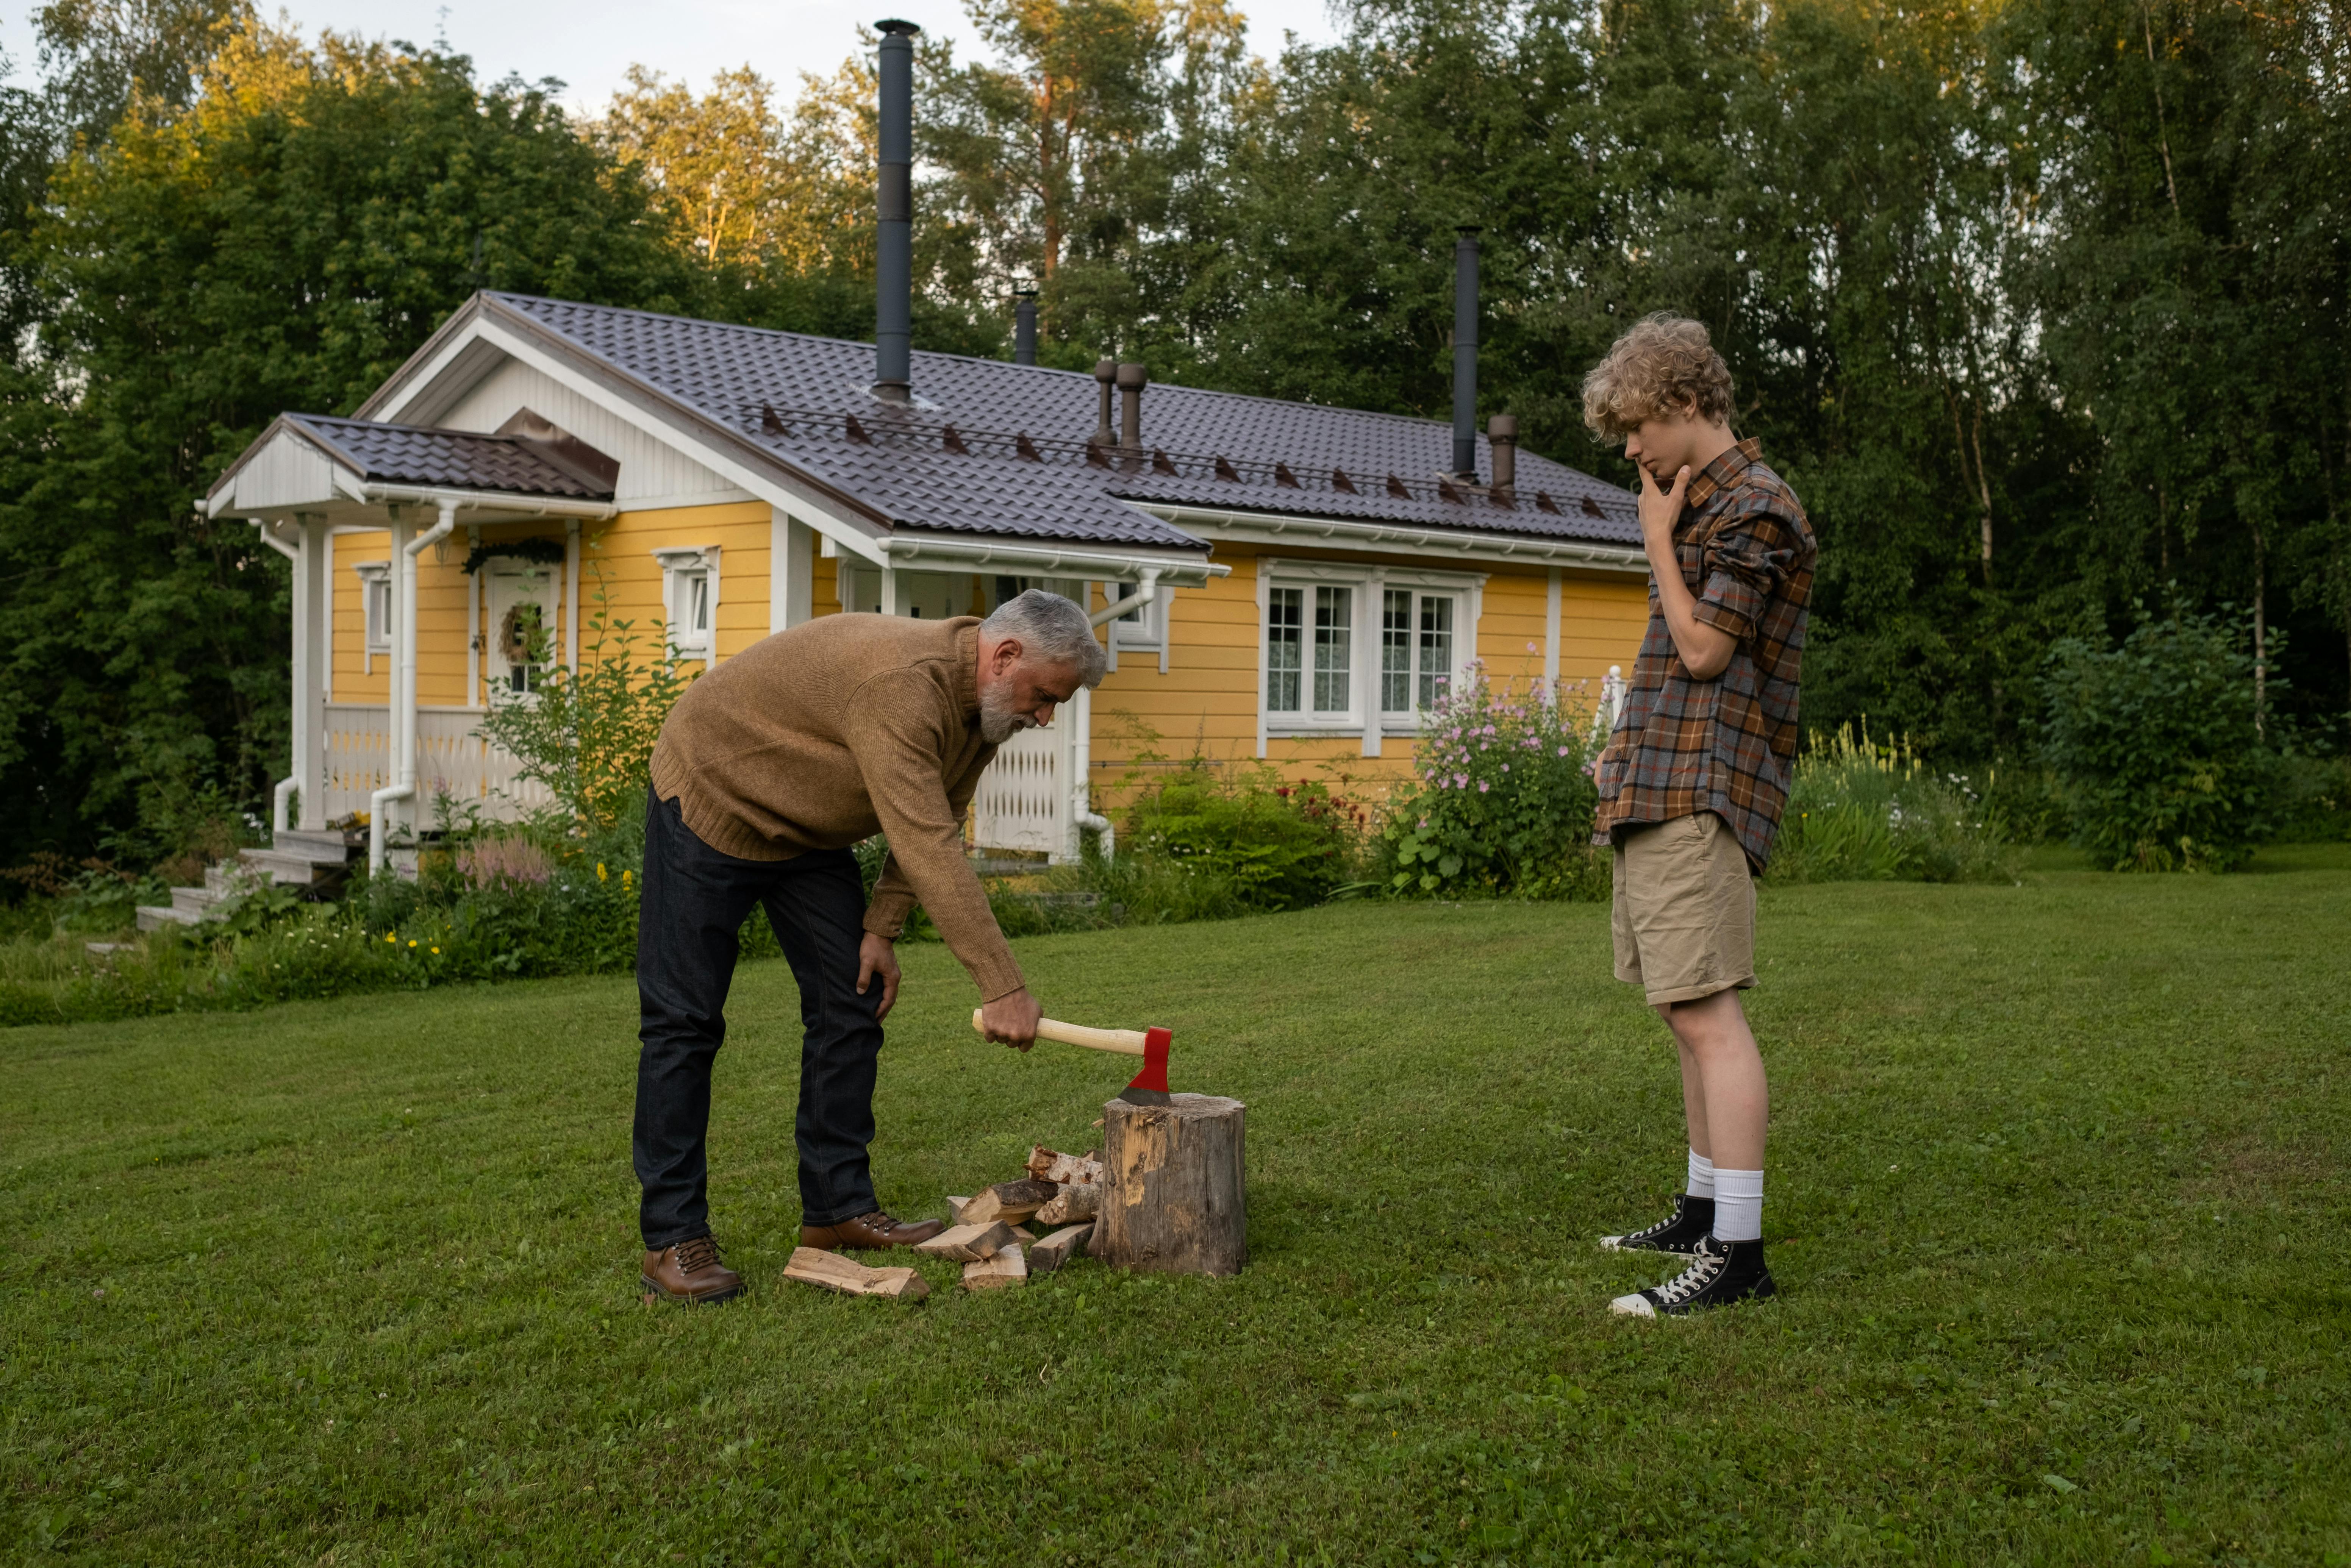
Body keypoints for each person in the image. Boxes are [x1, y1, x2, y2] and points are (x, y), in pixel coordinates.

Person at [631, 589, 1104, 1304]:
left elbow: (938, 810)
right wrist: (1002, 986)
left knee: (850, 1000)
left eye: (1055, 706)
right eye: (1044, 697)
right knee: (685, 1023)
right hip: (711, 799)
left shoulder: (981, 711)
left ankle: (836, 1210)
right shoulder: (903, 687)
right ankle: (674, 1239)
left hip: (809, 830)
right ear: (1005, 656)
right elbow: (928, 845)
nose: (1043, 717)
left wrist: (880, 930)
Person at [1580, 313, 1817, 1318]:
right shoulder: (1696, 504)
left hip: (1702, 786)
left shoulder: (1754, 509)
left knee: (1708, 1010)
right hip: (1656, 776)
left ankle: (1738, 1255)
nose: (1629, 449)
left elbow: (1704, 650)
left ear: (1682, 400)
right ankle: (1699, 1205)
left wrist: (1653, 543)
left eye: (1634, 424)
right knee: (1681, 1010)